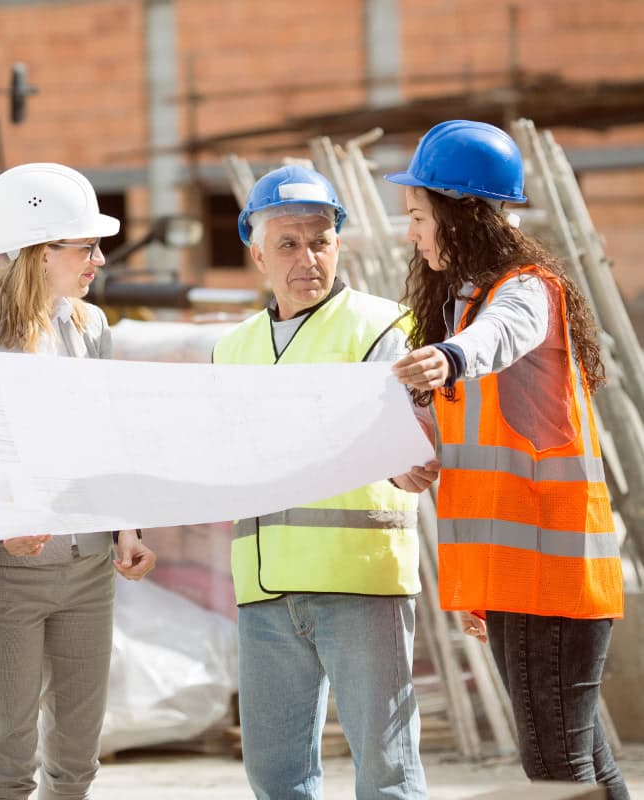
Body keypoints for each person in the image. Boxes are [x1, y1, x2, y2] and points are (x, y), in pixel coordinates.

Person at [388, 120, 629, 799]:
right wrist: (408, 458)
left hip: (545, 577)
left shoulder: (524, 292)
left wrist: (452, 357)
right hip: (526, 576)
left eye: (417, 215)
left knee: (557, 772)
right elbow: (469, 434)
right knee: (583, 763)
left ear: (460, 215)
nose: (412, 231)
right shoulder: (463, 305)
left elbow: (502, 336)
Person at [0, 162, 157, 800]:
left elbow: (107, 439)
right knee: (8, 765)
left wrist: (127, 530)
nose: (98, 258)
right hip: (8, 580)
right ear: (37, 251)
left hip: (87, 572)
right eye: (84, 246)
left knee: (78, 762)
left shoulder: (91, 329)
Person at [213, 165, 437, 800]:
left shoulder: (388, 328)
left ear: (339, 242)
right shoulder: (230, 350)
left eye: (320, 239)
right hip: (263, 590)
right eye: (287, 243)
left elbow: (417, 437)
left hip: (359, 580)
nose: (307, 256)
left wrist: (412, 454)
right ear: (256, 252)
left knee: (387, 775)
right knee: (277, 779)